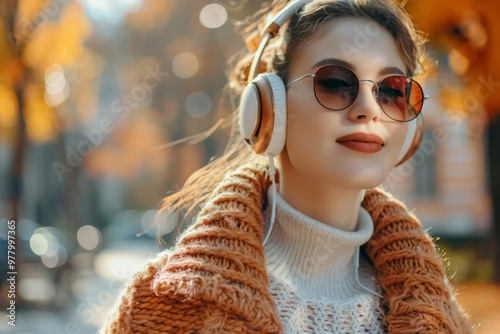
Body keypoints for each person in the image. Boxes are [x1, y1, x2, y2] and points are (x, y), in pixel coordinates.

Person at [99, 0, 474, 333]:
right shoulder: (158, 305)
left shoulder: (445, 320)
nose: (369, 109)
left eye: (392, 90)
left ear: (410, 131)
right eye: (335, 82)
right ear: (269, 108)